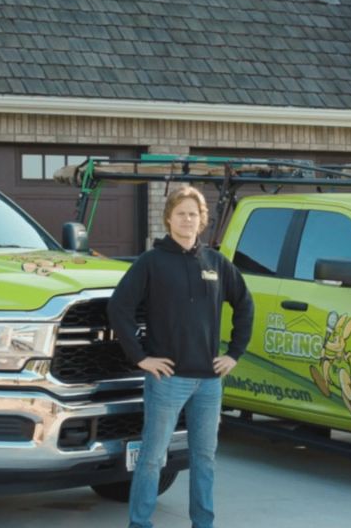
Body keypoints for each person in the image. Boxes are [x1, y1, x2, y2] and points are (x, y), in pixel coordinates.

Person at [107, 185, 254, 528]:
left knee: (204, 458)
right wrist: (141, 357)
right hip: (167, 380)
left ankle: (203, 523)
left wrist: (234, 353)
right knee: (152, 458)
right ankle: (139, 524)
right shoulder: (151, 262)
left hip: (209, 382)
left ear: (202, 220)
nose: (187, 220)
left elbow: (245, 304)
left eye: (193, 214)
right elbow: (119, 307)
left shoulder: (216, 263)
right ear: (169, 218)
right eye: (181, 213)